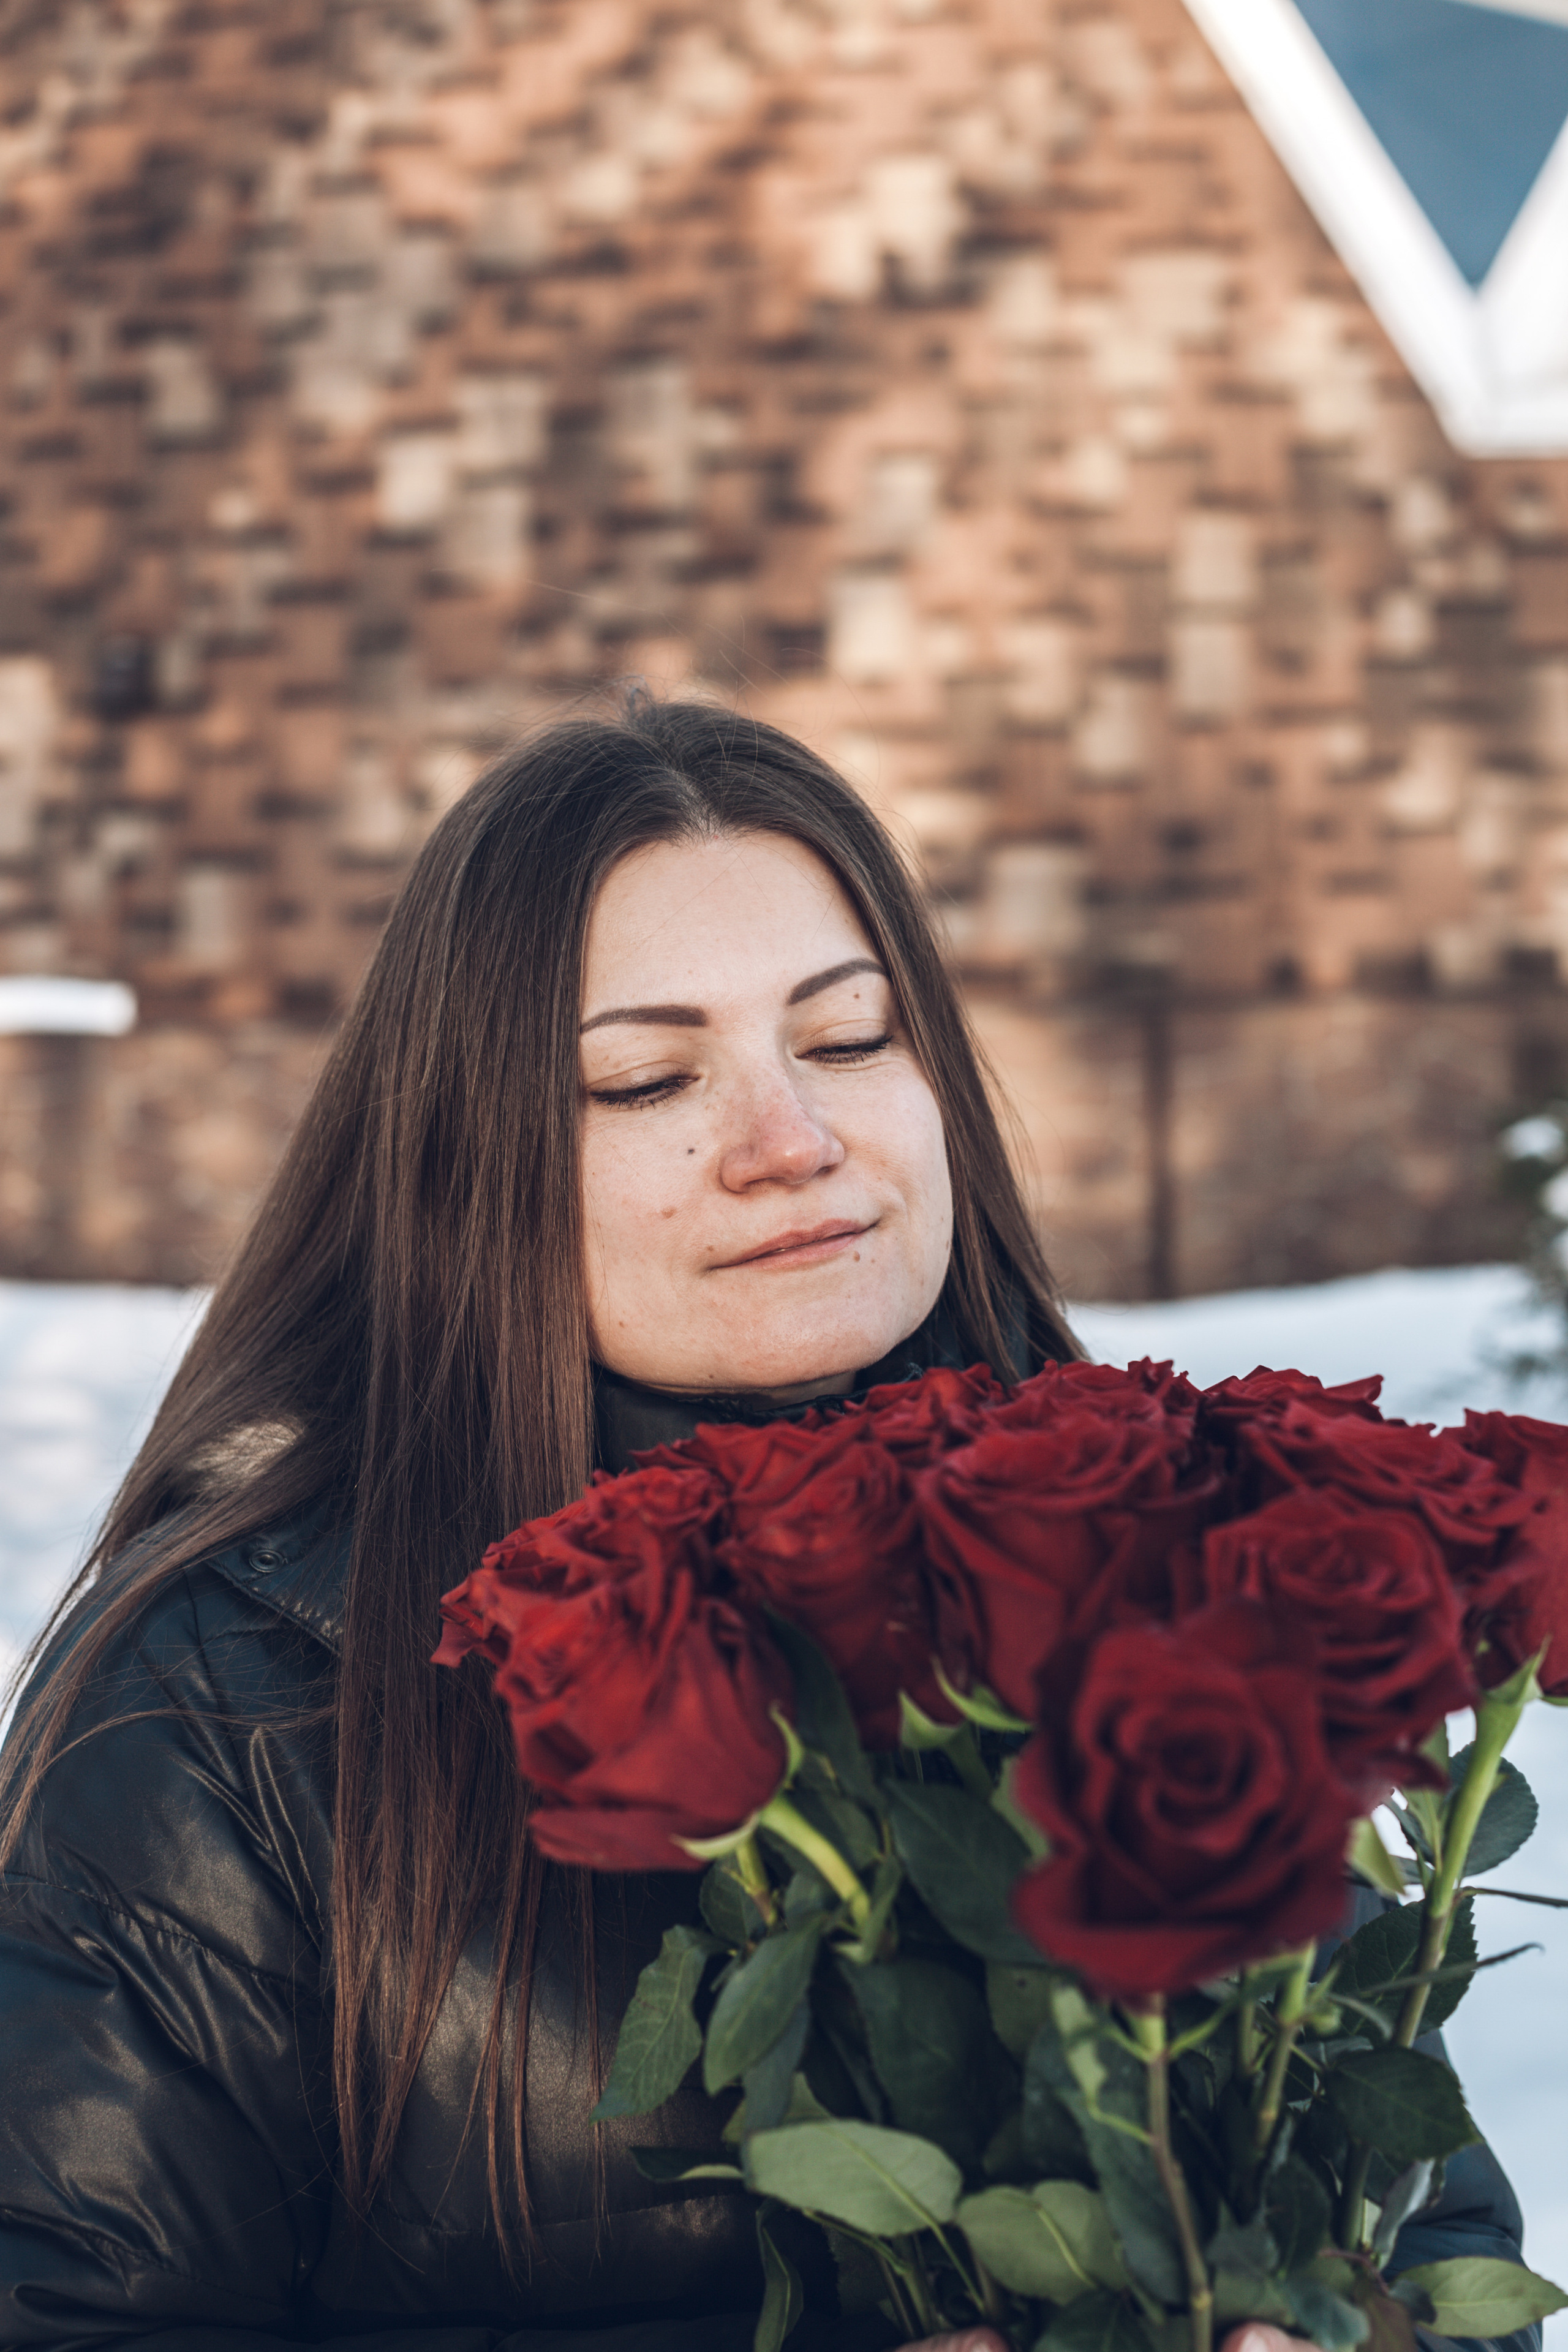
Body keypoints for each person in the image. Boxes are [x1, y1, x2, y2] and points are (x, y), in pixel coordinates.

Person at [0, 697, 1536, 2352]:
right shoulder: (228, 1703)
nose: (790, 1144)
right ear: (467, 1159)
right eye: (648, 1076)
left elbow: (1425, 2242)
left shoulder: (1167, 1578)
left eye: (851, 1037)